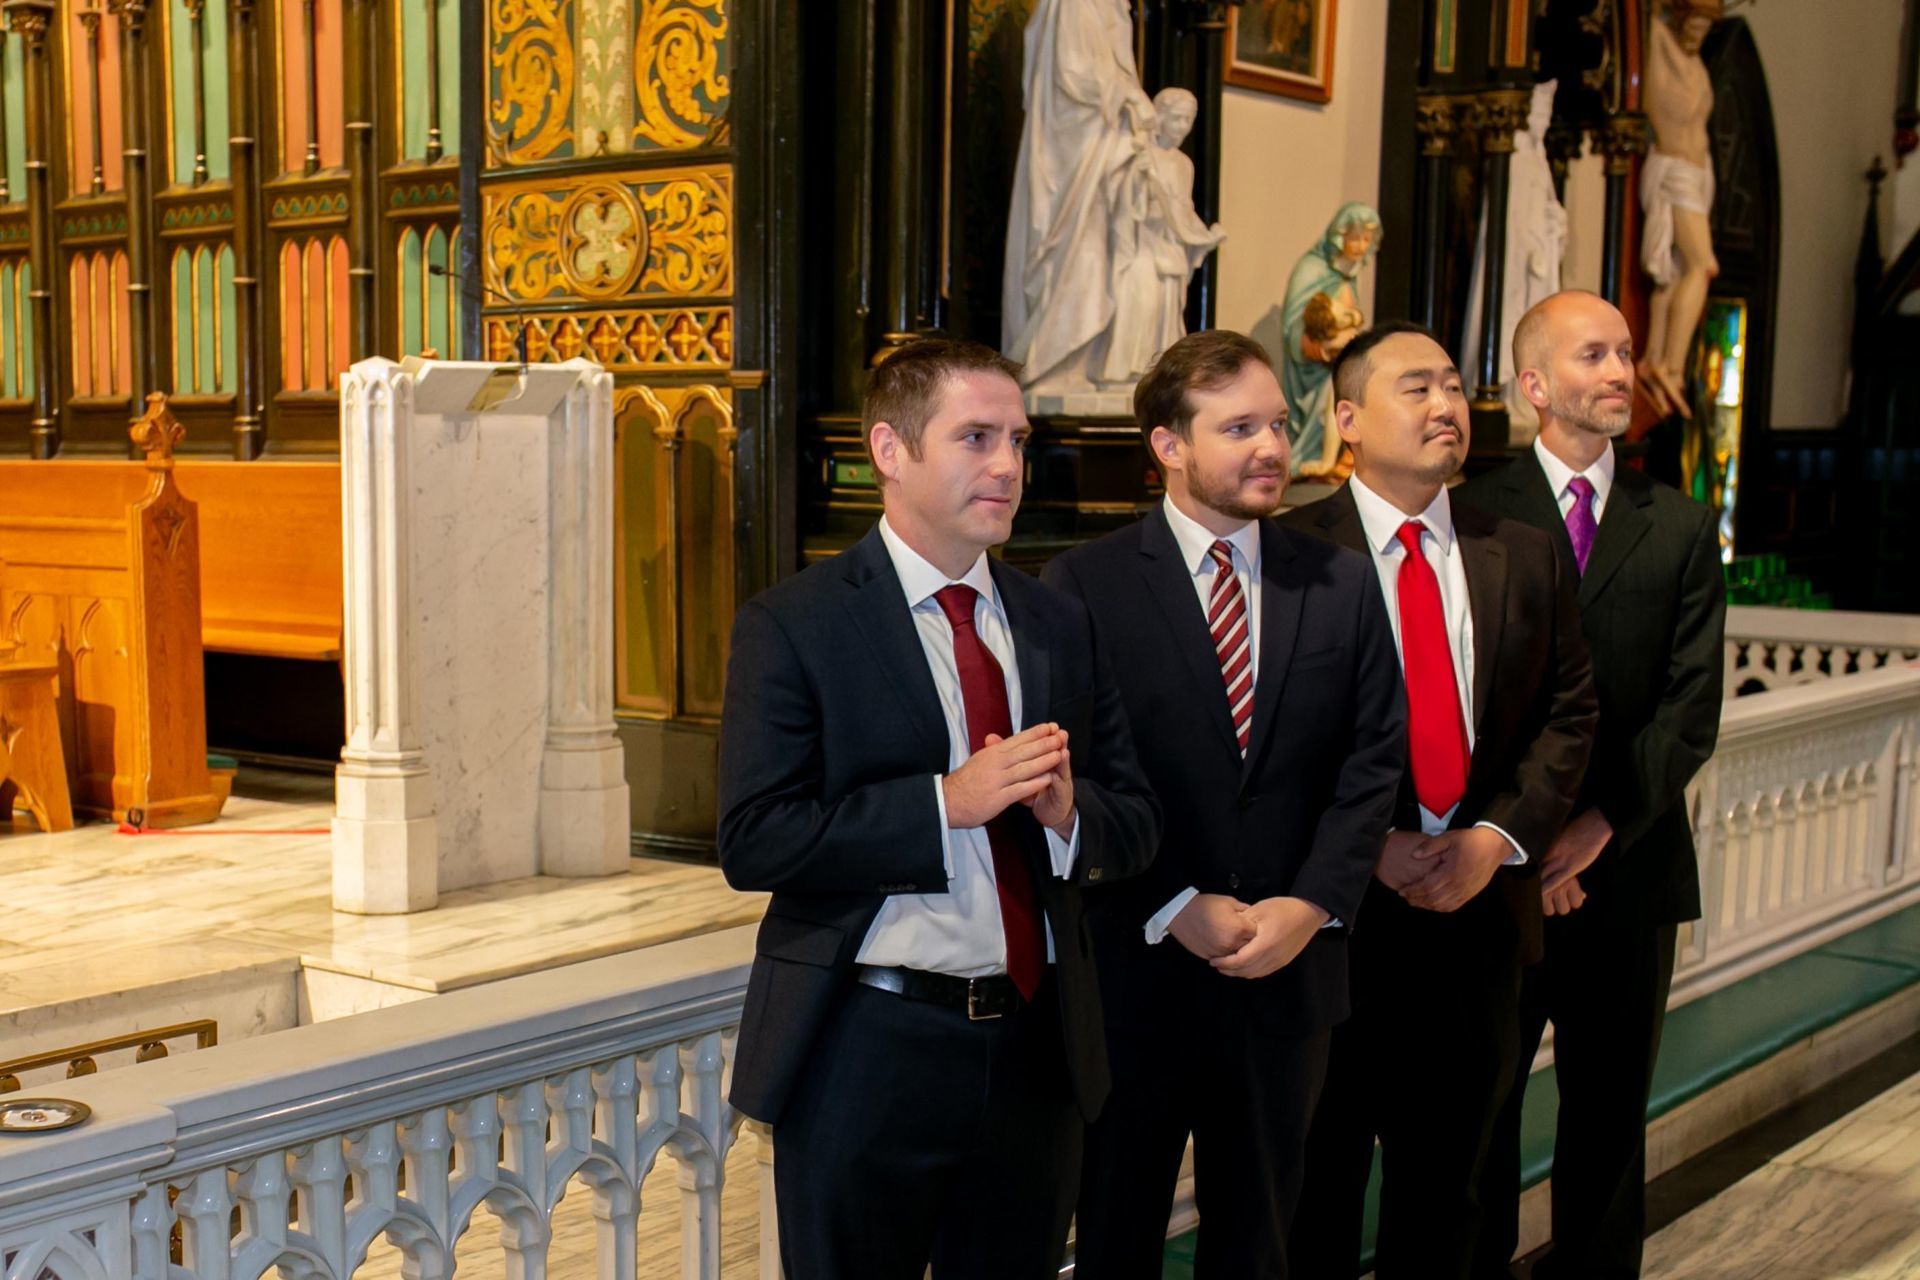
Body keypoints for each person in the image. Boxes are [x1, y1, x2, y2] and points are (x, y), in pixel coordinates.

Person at [716, 338, 1159, 1280]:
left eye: (1017, 440)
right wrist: (943, 804)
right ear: (890, 449)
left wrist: (1069, 817)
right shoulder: (796, 623)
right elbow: (755, 839)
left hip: (1037, 1048)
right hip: (868, 1045)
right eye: (975, 438)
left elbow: (1136, 818)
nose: (1007, 466)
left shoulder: (1055, 620)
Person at [1045, 330, 1405, 1278]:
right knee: (1115, 1237)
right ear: (1169, 444)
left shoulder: (1339, 578)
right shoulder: (1084, 584)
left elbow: (1374, 761)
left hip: (1288, 975)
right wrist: (1173, 902)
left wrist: (1312, 905)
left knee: (1260, 1243)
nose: (1273, 447)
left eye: (1278, 424)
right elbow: (1078, 778)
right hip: (1137, 974)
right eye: (1240, 428)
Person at [1282, 322, 1598, 1280]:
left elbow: (1569, 713)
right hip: (1330, 926)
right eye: (1415, 387)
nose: (1445, 406)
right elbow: (1268, 740)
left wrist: (1494, 840)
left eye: (1454, 386)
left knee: (1449, 1192)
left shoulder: (1525, 552)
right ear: (1347, 418)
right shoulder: (1291, 554)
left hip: (1476, 924)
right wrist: (1366, 843)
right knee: (1313, 1191)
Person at [1463, 291, 1725, 1280]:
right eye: (1594, 355)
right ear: (1535, 384)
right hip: (1499, 870)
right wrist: (1532, 836)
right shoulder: (1475, 511)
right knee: (1479, 1110)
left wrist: (1599, 825)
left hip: (1631, 865)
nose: (1620, 370)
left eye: (1623, 352)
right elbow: (1463, 698)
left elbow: (1689, 707)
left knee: (1610, 1117)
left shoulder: (1682, 523)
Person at [1101, 88, 1226, 387]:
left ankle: (1160, 378)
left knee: (1167, 317)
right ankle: (1129, 373)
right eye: (1177, 119)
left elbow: (1184, 209)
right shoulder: (1141, 154)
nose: (1182, 127)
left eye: (1188, 120)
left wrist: (1204, 236)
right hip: (1143, 244)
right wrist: (1138, 181)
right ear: (1160, 117)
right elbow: (1120, 206)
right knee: (1141, 304)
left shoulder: (1184, 164)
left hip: (1171, 246)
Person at [1281, 202, 1381, 478]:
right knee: (1334, 393)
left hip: (1337, 361)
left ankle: (1340, 460)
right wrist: (1324, 347)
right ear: (1339, 236)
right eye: (1355, 238)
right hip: (1314, 370)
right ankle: (1320, 460)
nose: (1361, 246)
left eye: (1366, 240)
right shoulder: (1311, 270)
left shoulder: (1348, 273)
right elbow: (1294, 328)